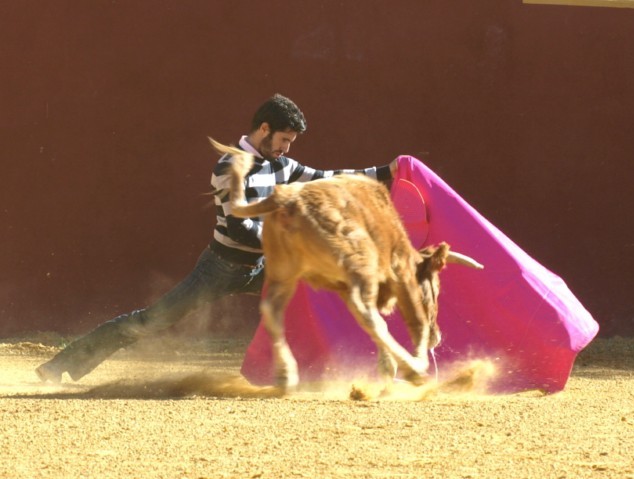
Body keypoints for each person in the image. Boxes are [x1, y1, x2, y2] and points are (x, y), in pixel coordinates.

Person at [36, 93, 397, 383]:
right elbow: (240, 227)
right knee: (152, 321)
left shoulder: (282, 164)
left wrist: (387, 173)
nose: (287, 148)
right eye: (284, 139)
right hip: (220, 268)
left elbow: (328, 178)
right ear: (265, 128)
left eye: (290, 142)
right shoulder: (229, 167)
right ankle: (60, 367)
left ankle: (336, 372)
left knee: (322, 295)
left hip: (262, 265)